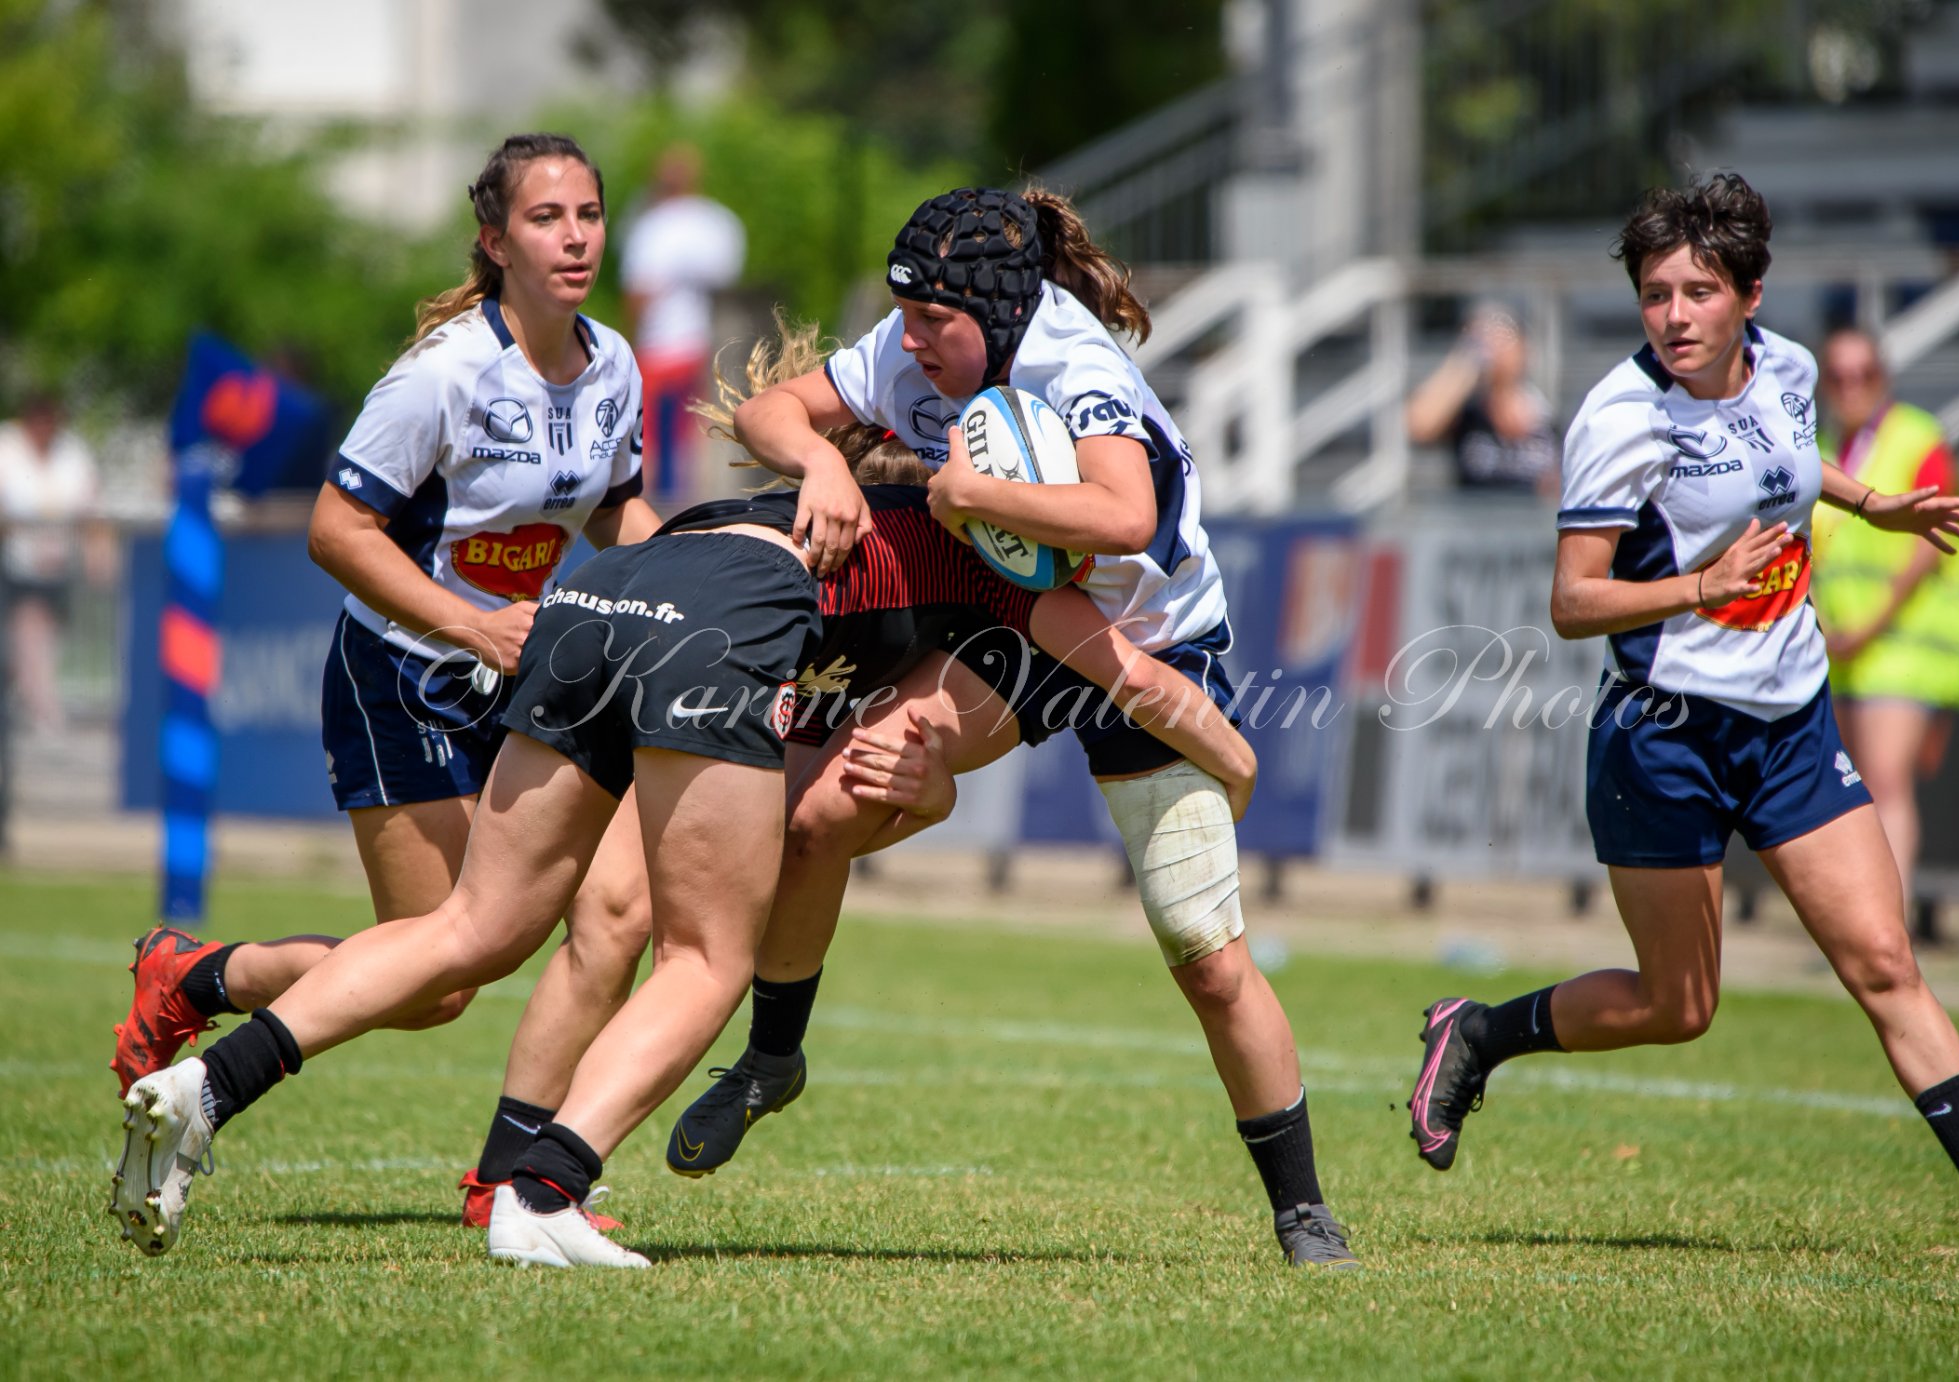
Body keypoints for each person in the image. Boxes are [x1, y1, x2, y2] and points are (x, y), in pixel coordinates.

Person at [107, 469, 1266, 1269]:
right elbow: (1146, 684)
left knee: (474, 927)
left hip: (601, 589)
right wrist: (1240, 765)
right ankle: (541, 1191)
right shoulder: (1014, 579)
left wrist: (926, 781)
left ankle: (209, 1088)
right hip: (717, 622)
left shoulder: (844, 494)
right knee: (706, 955)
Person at [670, 187, 1360, 1270]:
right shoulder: (916, 343)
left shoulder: (1072, 366)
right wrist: (824, 460)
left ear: (996, 312)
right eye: (903, 314)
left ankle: (1302, 1209)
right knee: (819, 818)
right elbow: (773, 413)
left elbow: (1124, 516)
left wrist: (971, 496)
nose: (907, 340)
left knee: (1206, 956)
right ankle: (771, 1058)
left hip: (1149, 642)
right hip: (1018, 622)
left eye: (930, 319)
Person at [1404, 173, 1959, 1259]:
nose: (1674, 315)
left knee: (1883, 961)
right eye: (1655, 294)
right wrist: (1697, 588)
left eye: (1698, 291)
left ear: (1749, 294)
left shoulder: (1787, 367)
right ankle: (1476, 1032)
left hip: (1789, 724)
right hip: (1664, 737)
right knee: (1679, 1005)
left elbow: (1781, 461)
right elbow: (1571, 602)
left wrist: (1869, 501)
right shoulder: (1617, 418)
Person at [109, 132, 665, 1232]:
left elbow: (615, 512)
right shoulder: (443, 372)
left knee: (616, 910)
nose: (574, 238)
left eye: (589, 215)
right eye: (546, 218)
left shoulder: (613, 364)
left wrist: (697, 585)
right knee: (440, 982)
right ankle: (198, 975)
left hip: (521, 676)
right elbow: (335, 529)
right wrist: (468, 622)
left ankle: (514, 1180)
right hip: (402, 677)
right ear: (495, 241)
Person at [1810, 326, 1959, 909]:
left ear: (1882, 377)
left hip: (1908, 645)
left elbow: (1928, 547)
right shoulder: (1821, 449)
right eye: (1837, 376)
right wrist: (1831, 628)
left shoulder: (1919, 438)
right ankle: (1862, 921)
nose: (1850, 387)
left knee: (1885, 780)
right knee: (1851, 790)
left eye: (1862, 374)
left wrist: (1869, 626)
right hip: (1844, 649)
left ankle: (1891, 923)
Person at [623, 143, 746, 503]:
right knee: (694, 430)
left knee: (644, 434)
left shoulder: (653, 224)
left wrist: (628, 338)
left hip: (659, 342)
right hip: (704, 340)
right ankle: (694, 504)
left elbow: (638, 291)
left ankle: (644, 505)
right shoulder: (719, 222)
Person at [0, 392, 101, 733]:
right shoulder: (7, 448)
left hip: (58, 563)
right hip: (13, 563)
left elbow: (90, 502)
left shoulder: (71, 453)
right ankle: (44, 709)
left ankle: (31, 703)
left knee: (40, 640)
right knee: (30, 633)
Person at [1405, 302, 1560, 492]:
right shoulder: (1468, 414)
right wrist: (1465, 361)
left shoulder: (1543, 416)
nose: (1496, 347)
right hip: (1475, 509)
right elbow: (1418, 427)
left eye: (1506, 336)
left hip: (1529, 510)